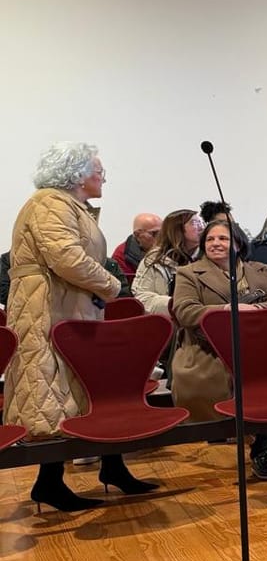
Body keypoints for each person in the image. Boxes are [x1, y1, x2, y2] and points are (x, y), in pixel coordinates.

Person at [5, 142, 159, 511]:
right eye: (98, 171)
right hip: (48, 309)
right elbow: (66, 257)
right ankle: (50, 483)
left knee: (88, 390)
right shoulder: (50, 202)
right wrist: (112, 286)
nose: (103, 177)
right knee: (53, 393)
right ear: (76, 175)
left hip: (67, 305)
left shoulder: (66, 205)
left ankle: (112, 467)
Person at [172, 219, 267, 480]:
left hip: (257, 349)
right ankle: (255, 443)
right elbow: (185, 311)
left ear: (238, 244)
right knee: (236, 382)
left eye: (223, 239)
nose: (215, 243)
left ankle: (262, 450)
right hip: (209, 351)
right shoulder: (189, 273)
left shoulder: (260, 270)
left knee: (262, 378)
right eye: (210, 239)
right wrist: (227, 309)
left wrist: (256, 308)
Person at [133, 208, 203, 315]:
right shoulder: (154, 260)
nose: (201, 227)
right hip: (167, 318)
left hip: (200, 317)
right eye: (195, 223)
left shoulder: (208, 257)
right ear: (177, 229)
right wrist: (175, 304)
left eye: (201, 223)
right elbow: (142, 297)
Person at [110, 212, 161, 285]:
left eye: (163, 233)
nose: (161, 238)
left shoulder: (167, 250)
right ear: (137, 234)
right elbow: (123, 287)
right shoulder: (121, 256)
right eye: (155, 233)